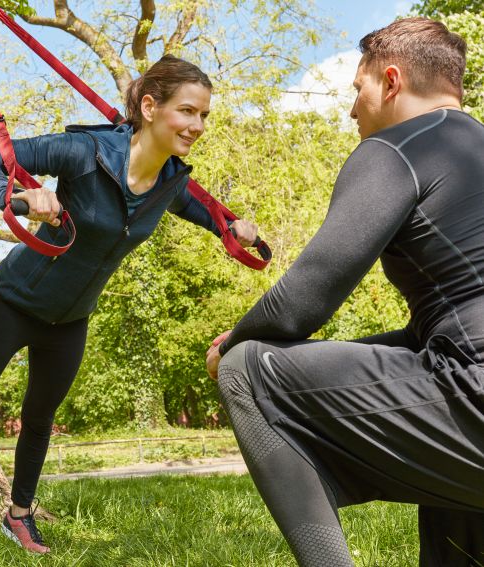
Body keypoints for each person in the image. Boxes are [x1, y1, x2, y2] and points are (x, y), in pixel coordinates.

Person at [0, 54, 259, 555]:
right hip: (11, 303)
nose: (197, 125)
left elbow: (195, 206)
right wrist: (19, 199)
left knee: (39, 419)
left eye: (204, 115)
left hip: (69, 321)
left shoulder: (172, 181)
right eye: (188, 111)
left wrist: (231, 225)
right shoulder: (85, 151)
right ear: (151, 106)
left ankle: (20, 515)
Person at [205, 17, 484, 567]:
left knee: (246, 367)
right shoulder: (470, 151)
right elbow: (438, 331)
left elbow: (304, 299)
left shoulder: (396, 148)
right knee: (454, 507)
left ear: (392, 81)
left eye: (358, 90)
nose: (352, 109)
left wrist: (230, 342)